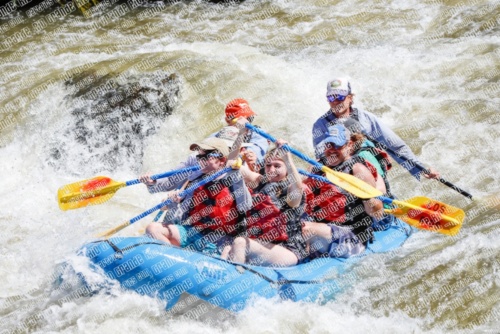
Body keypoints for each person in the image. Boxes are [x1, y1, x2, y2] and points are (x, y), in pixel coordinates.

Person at [312, 78, 440, 180]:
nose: (335, 101)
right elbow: (322, 156)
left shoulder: (367, 119)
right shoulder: (320, 125)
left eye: (340, 97)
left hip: (372, 175)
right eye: (331, 97)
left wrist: (421, 168)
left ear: (350, 98)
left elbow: (396, 147)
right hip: (341, 179)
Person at [221, 118, 307, 267]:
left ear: (286, 168)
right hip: (260, 246)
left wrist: (288, 158)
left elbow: (297, 190)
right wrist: (241, 132)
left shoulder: (292, 189)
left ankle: (236, 281)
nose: (272, 170)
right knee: (228, 248)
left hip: (286, 251)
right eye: (268, 166)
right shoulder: (260, 181)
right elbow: (231, 165)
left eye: (277, 166)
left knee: (240, 242)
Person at [144, 137, 251, 254]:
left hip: (223, 241)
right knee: (153, 228)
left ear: (222, 160)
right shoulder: (195, 180)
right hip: (194, 233)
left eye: (206, 157)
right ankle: (173, 260)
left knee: (227, 251)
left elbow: (247, 207)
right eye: (199, 157)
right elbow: (178, 211)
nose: (201, 161)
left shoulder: (234, 179)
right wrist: (173, 200)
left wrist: (237, 171)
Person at [140, 98, 268, 193]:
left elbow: (256, 154)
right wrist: (153, 183)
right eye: (240, 120)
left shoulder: (256, 137)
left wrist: (251, 157)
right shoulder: (205, 149)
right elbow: (171, 180)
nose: (246, 124)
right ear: (227, 121)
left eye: (249, 119)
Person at [302, 124, 384, 259]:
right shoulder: (316, 165)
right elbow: (298, 189)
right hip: (323, 226)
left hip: (352, 235)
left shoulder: (358, 170)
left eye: (337, 145)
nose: (331, 150)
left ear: (349, 145)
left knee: (306, 229)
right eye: (328, 145)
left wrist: (366, 197)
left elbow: (377, 213)